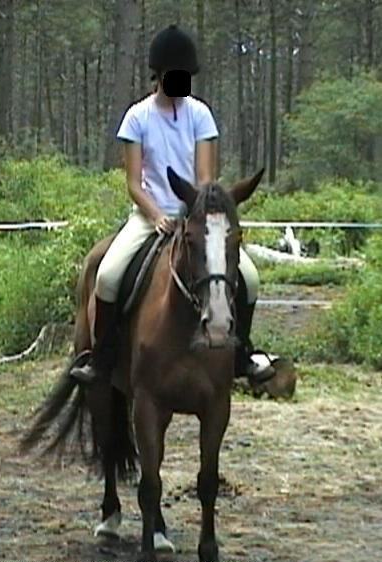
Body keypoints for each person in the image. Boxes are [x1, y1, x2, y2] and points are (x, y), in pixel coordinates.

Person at [71, 25, 274, 386]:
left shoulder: (200, 115)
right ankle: (102, 357)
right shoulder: (137, 118)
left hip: (195, 216)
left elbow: (205, 179)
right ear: (160, 76)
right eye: (175, 76)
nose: (182, 83)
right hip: (150, 216)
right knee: (107, 276)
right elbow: (134, 182)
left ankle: (242, 353)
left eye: (186, 77)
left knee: (250, 278)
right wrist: (156, 215)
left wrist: (194, 215)